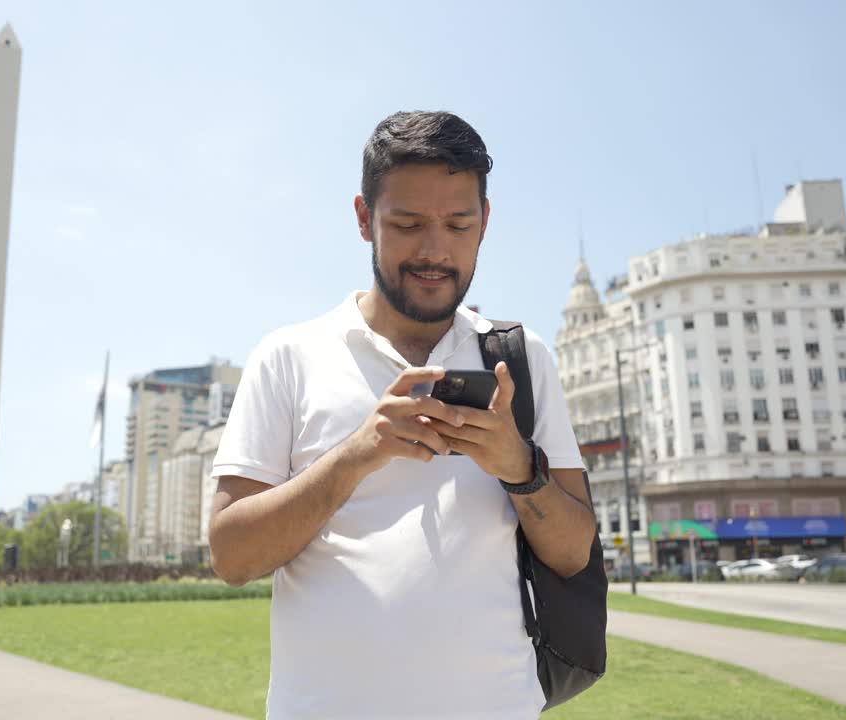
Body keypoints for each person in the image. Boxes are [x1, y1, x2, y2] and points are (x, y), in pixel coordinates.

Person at [208, 110, 595, 719]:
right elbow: (232, 558)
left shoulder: (522, 359)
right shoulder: (289, 356)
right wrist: (358, 454)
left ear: (485, 223)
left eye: (459, 224)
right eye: (409, 224)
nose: (435, 250)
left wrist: (517, 466)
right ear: (364, 219)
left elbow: (574, 555)